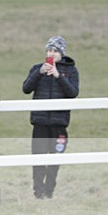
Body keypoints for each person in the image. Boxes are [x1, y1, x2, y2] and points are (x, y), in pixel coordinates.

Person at [22, 35, 80, 199]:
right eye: (49, 50)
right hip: (39, 123)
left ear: (61, 53)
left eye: (55, 50)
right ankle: (38, 192)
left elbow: (73, 93)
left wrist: (58, 76)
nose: (51, 53)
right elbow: (26, 88)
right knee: (39, 159)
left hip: (59, 123)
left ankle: (49, 191)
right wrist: (39, 73)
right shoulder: (36, 68)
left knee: (55, 159)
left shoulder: (71, 71)